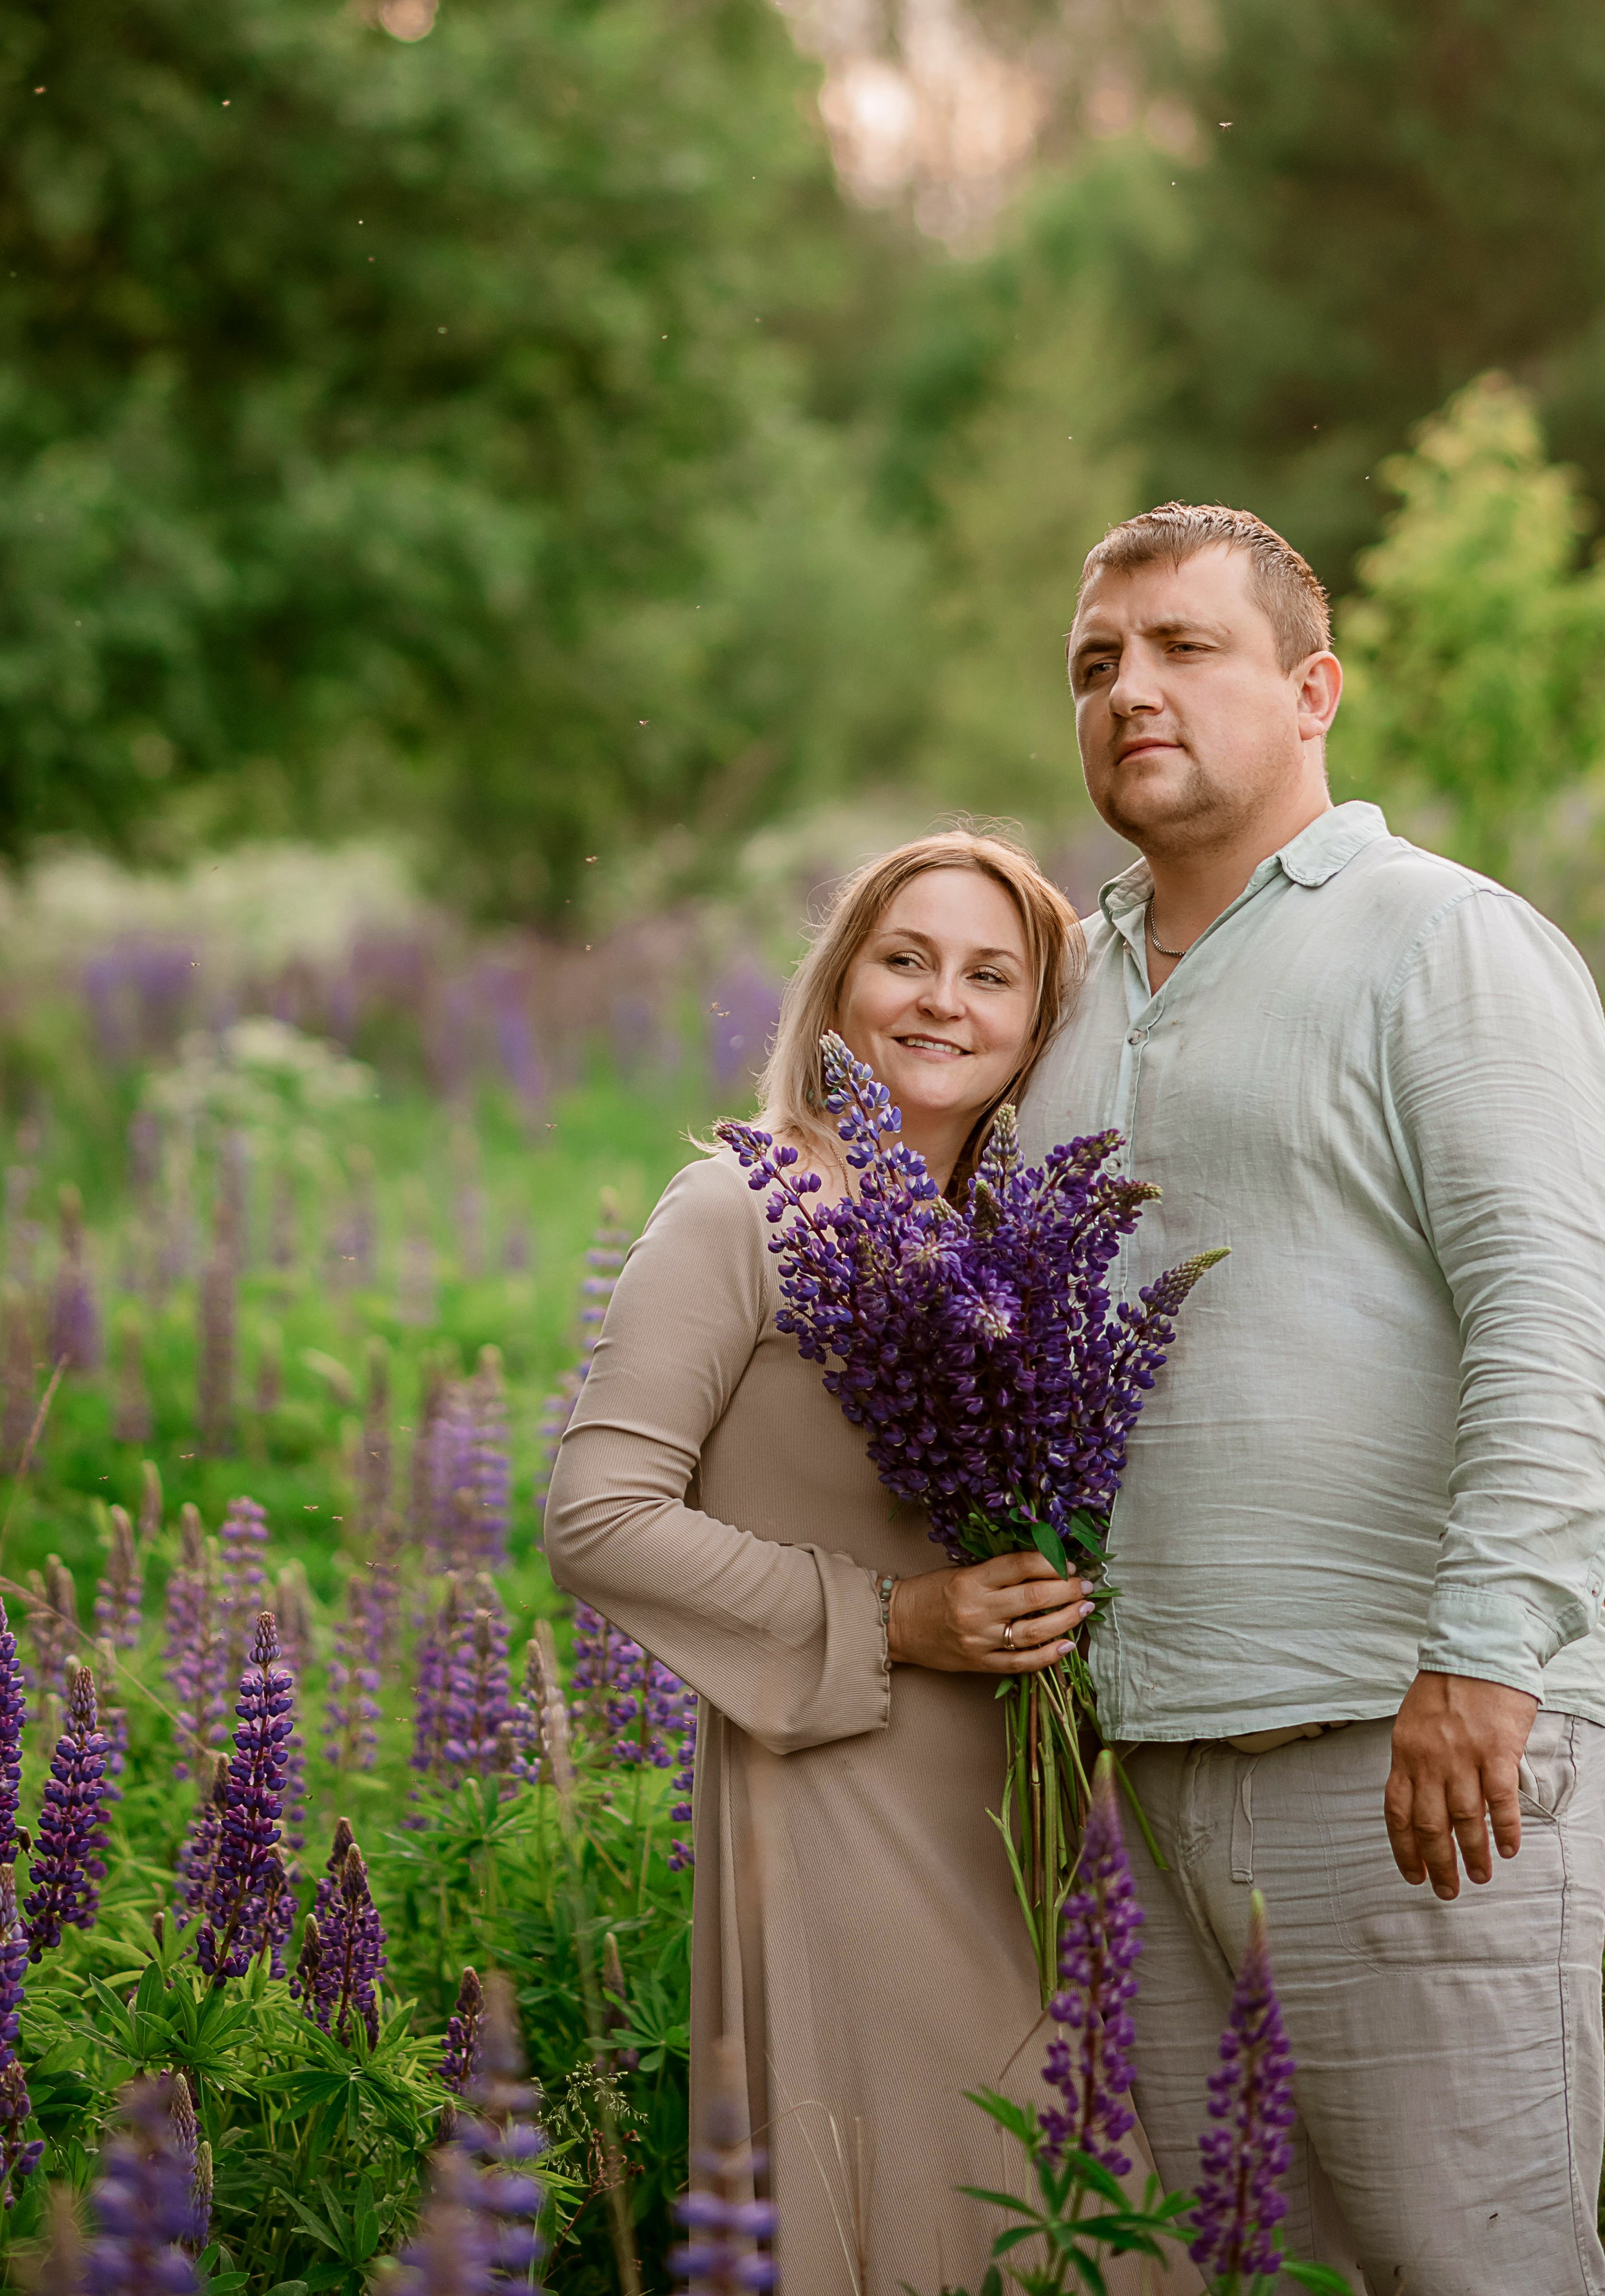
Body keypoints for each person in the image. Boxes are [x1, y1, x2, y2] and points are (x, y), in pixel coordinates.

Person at [1017, 503, 1605, 2296]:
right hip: (1144, 1770)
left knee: (1478, 2266)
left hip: (1414, 1741)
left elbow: (1561, 1311)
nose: (1129, 687)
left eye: (1182, 647)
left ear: (1314, 689)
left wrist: (1486, 1652)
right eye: (1095, 662)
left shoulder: (1436, 939)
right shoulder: (1061, 981)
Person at [543, 835, 1182, 2295]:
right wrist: (889, 1618)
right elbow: (596, 1510)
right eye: (903, 960)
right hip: (841, 1793)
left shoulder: (1023, 1242)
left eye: (988, 974)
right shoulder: (740, 1208)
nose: (940, 1001)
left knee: (1077, 2210)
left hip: (1031, 1800)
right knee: (919, 2198)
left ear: (1038, 1026)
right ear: (837, 991)